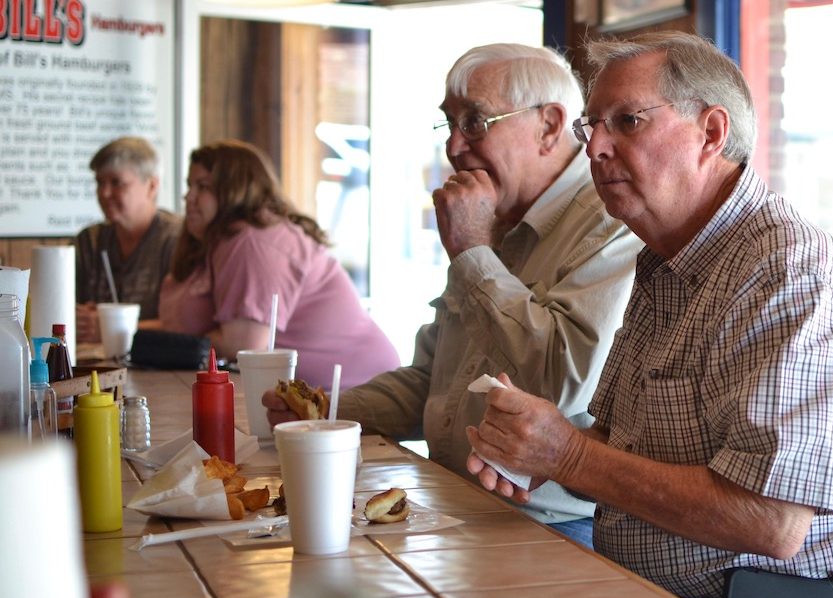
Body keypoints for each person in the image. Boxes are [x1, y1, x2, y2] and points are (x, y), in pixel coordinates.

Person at [464, 32, 833, 598]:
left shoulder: (790, 269)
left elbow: (770, 519)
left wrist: (569, 453)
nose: (598, 148)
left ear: (711, 131)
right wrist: (537, 457)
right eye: (593, 127)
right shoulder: (664, 261)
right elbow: (620, 444)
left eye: (628, 121)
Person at [263, 43, 641, 548]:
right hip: (455, 503)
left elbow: (561, 380)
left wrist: (471, 253)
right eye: (450, 124)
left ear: (550, 126)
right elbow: (434, 381)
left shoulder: (608, 219)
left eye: (477, 122)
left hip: (551, 525)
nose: (455, 147)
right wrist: (328, 412)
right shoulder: (494, 220)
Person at [158, 139, 399, 390]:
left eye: (202, 186)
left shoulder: (253, 243)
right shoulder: (227, 241)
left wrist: (167, 345)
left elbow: (245, 344)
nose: (188, 196)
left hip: (358, 391)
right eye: (189, 185)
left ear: (235, 189)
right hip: (326, 393)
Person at [75, 137, 182, 342]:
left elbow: (186, 324)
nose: (104, 193)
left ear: (151, 186)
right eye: (99, 183)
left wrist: (108, 327)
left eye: (117, 183)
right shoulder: (88, 242)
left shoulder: (177, 240)